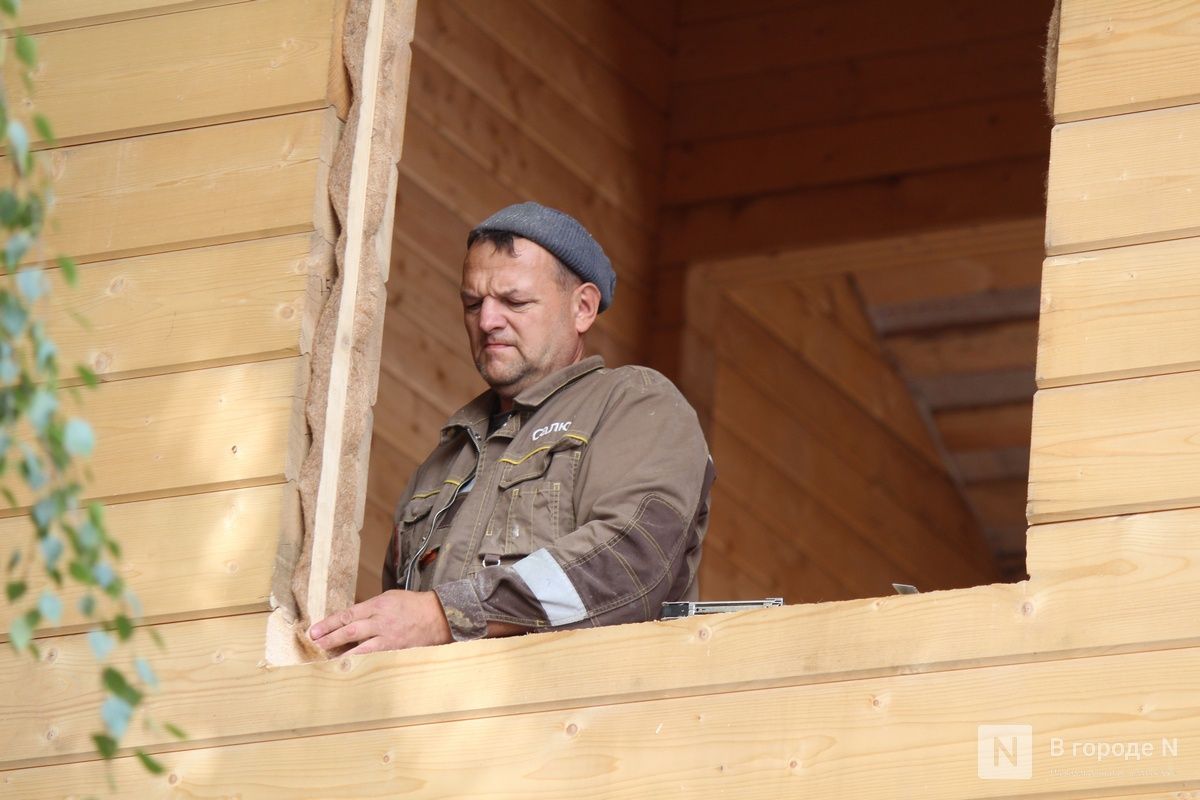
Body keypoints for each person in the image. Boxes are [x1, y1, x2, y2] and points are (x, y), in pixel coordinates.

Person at [309, 202, 714, 654]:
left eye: (514, 302)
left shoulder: (633, 403)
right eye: (472, 303)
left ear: (582, 307)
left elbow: (629, 565)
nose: (487, 321)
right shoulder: (441, 464)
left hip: (579, 698)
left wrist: (445, 614)